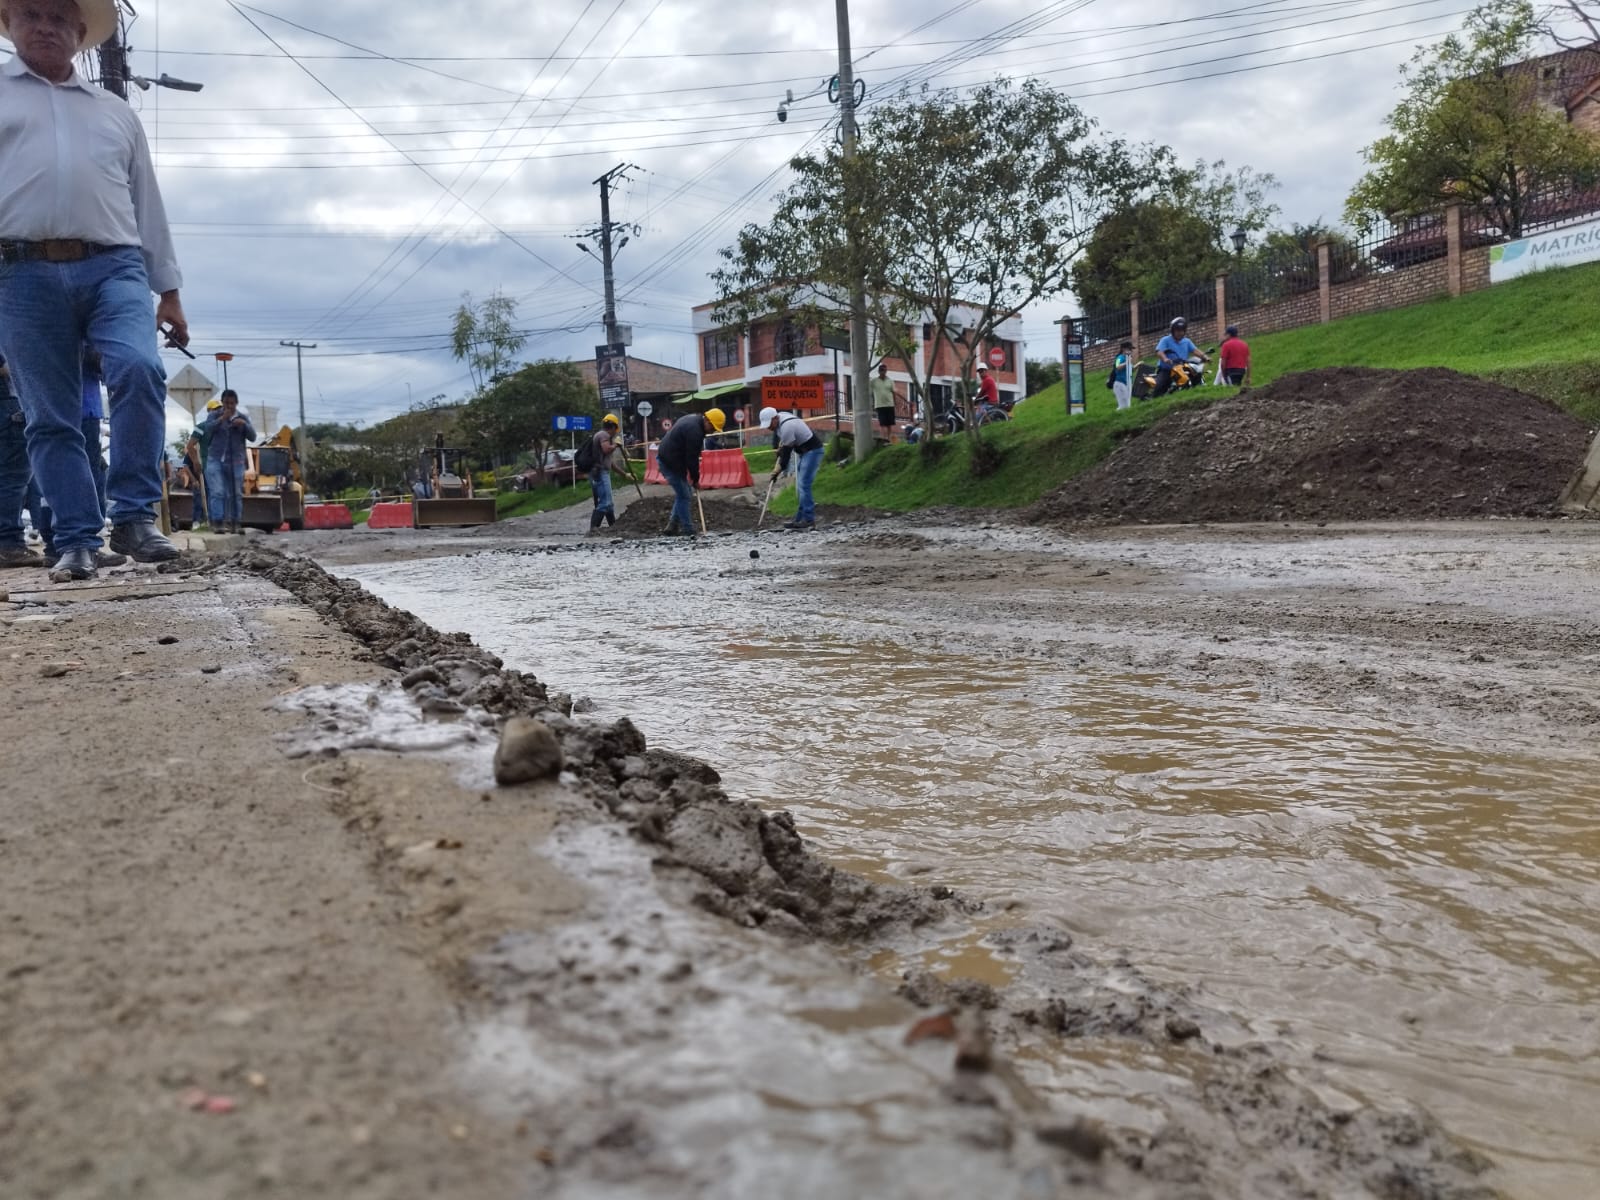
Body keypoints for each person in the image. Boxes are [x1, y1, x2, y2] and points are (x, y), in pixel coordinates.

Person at [0, 0, 191, 582]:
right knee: (50, 415)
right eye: (30, 13)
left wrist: (170, 290)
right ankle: (77, 540)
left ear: (80, 34)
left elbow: (146, 203)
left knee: (139, 368)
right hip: (20, 271)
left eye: (59, 17)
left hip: (116, 265)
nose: (45, 26)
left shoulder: (114, 113)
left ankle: (133, 516)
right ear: (9, 25)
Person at [654, 406, 724, 536]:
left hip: (669, 458)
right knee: (685, 495)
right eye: (713, 428)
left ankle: (672, 525)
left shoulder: (692, 419)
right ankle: (688, 529)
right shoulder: (695, 432)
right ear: (707, 421)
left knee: (684, 492)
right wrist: (696, 479)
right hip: (670, 462)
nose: (713, 431)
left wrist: (692, 477)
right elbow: (692, 459)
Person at [760, 405, 825, 532]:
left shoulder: (786, 427)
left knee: (804, 484)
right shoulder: (781, 419)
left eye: (769, 424)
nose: (768, 428)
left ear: (774, 418)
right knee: (802, 485)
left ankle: (809, 520)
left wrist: (777, 471)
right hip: (804, 452)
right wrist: (781, 449)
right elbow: (784, 446)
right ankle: (800, 519)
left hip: (812, 451)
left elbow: (786, 455)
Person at [203, 389, 255, 533]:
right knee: (218, 491)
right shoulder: (214, 416)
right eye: (226, 403)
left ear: (236, 403)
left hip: (236, 461)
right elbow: (206, 431)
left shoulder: (243, 418)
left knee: (235, 493)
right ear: (222, 403)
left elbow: (253, 437)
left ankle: (235, 523)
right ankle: (218, 523)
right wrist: (221, 420)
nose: (229, 406)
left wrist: (244, 425)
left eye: (232, 403)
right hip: (215, 459)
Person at [586, 413, 622, 532]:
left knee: (609, 503)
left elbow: (610, 463)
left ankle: (613, 527)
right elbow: (606, 449)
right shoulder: (604, 435)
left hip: (602, 471)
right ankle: (593, 528)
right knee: (605, 501)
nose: (615, 432)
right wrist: (616, 445)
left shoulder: (602, 435)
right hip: (600, 472)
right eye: (615, 429)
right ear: (612, 426)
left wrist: (624, 474)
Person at [1152, 318, 1203, 397]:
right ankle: (1154, 399)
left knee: (1196, 375)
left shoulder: (1187, 341)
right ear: (1172, 331)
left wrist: (1205, 357)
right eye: (1178, 330)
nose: (1180, 333)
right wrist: (1165, 359)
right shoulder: (1165, 340)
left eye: (1182, 330)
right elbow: (1159, 351)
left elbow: (1195, 350)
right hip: (1167, 369)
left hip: (1182, 368)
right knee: (1159, 385)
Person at [195, 397, 222, 528]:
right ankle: (214, 521)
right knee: (214, 493)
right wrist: (195, 462)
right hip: (209, 464)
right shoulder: (201, 427)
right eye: (216, 410)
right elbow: (190, 446)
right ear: (209, 411)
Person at [871, 363, 896, 439]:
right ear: (879, 371)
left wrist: (894, 403)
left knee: (889, 424)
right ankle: (883, 439)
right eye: (882, 370)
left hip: (890, 404)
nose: (883, 372)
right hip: (880, 405)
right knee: (882, 423)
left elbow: (893, 392)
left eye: (885, 370)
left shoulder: (890, 381)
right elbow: (867, 388)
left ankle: (889, 439)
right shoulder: (874, 381)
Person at [1110, 340, 1135, 411]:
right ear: (1123, 349)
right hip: (1120, 383)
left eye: (1131, 349)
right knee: (1123, 405)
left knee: (1127, 404)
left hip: (1127, 383)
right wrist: (1126, 362)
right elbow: (1117, 366)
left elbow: (1131, 370)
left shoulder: (1128, 359)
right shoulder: (1119, 357)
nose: (1130, 351)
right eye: (1129, 349)